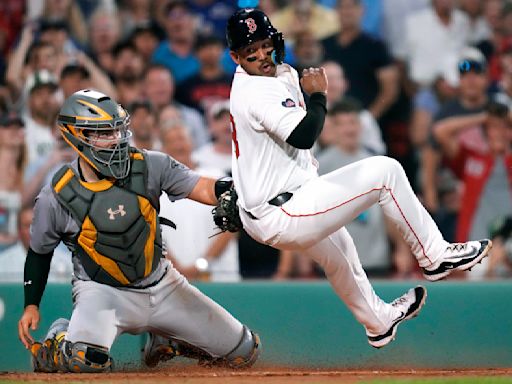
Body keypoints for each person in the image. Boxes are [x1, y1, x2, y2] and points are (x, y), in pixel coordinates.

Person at [225, 8, 492, 349]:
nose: (260, 54)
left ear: (274, 40)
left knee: (340, 253)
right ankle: (434, 255)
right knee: (386, 171)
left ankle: (378, 322)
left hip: (280, 201)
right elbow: (304, 136)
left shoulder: (276, 74)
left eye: (263, 44)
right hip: (282, 210)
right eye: (250, 51)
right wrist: (320, 96)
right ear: (235, 57)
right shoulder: (255, 90)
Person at [17, 89, 260, 372]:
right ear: (75, 135)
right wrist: (31, 305)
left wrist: (228, 192)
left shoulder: (150, 164)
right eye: (104, 133)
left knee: (244, 351)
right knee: (85, 361)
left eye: (118, 131)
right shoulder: (56, 194)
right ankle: (60, 339)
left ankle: (165, 338)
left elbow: (200, 185)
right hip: (102, 291)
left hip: (163, 283)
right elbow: (39, 253)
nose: (116, 140)